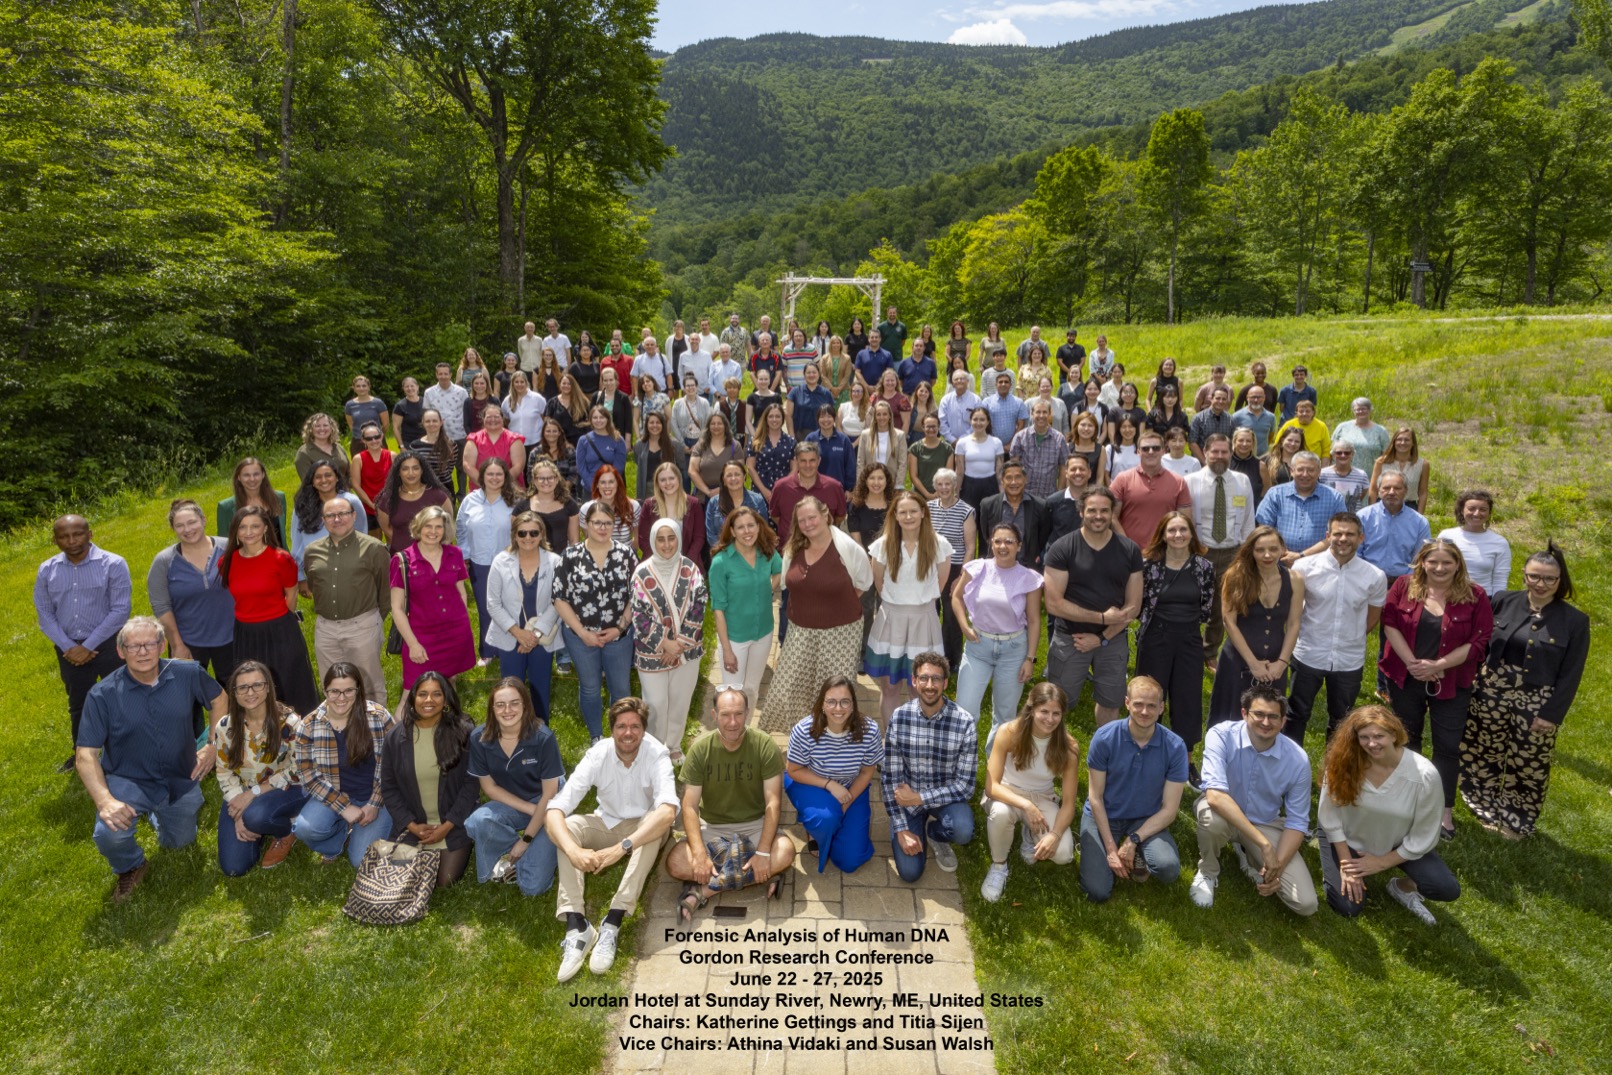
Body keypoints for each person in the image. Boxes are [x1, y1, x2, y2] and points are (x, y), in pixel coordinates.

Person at [74, 616, 224, 899]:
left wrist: (213, 745)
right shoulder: (101, 695)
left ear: (162, 646)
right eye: (133, 646)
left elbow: (219, 699)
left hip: (181, 777)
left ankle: (157, 815)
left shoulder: (187, 673)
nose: (142, 652)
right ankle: (130, 865)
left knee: (180, 844)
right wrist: (105, 800)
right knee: (110, 834)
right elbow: (85, 755)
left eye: (149, 644)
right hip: (128, 779)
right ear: (121, 651)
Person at [1461, 543, 1589, 838]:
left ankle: (1518, 818)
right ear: (1524, 575)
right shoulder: (1504, 601)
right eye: (1534, 576)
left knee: (1530, 761)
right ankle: (1483, 806)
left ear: (1560, 581)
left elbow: (1572, 673)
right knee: (1483, 750)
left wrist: (1552, 714)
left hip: (1537, 700)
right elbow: (1481, 645)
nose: (1540, 584)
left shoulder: (1575, 620)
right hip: (1491, 692)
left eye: (1548, 579)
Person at [546, 697, 677, 980]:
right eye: (621, 726)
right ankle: (576, 925)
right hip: (606, 822)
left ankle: (613, 921)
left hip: (643, 827)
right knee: (566, 826)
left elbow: (667, 812)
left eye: (634, 726)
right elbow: (555, 809)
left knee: (654, 828)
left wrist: (622, 848)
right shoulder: (598, 754)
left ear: (643, 729)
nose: (628, 733)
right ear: (612, 729)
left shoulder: (657, 753)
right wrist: (573, 850)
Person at [1380, 539, 1494, 840]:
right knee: (1407, 738)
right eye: (1433, 562)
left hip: (1452, 681)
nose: (1440, 568)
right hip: (1406, 677)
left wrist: (1438, 664)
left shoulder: (1475, 595)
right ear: (1422, 562)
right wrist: (1412, 662)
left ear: (1458, 564)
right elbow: (1389, 621)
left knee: (1446, 745)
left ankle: (1443, 811)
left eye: (1447, 562)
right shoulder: (1404, 586)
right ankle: (1410, 800)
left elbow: (1480, 640)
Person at [1318, 705, 1459, 924]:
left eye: (1378, 736)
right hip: (1346, 838)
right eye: (1364, 737)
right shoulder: (1342, 761)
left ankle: (1401, 887)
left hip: (1396, 841)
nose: (1372, 744)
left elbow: (1425, 834)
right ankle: (1333, 862)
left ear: (1394, 734)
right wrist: (1347, 864)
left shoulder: (1424, 775)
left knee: (1446, 888)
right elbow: (1329, 816)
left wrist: (1381, 863)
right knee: (1347, 908)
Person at [666, 686, 795, 919]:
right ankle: (758, 875)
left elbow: (773, 803)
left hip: (755, 824)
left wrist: (764, 852)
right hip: (713, 828)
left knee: (785, 851)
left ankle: (704, 890)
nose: (732, 722)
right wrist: (698, 854)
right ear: (714, 715)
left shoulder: (765, 745)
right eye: (725, 715)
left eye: (738, 714)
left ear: (748, 713)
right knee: (675, 863)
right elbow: (689, 806)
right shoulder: (700, 749)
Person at [1188, 685, 1317, 915]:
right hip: (1223, 813)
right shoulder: (1221, 735)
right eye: (1259, 714)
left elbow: (1297, 822)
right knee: (1211, 819)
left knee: (1305, 904)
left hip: (1265, 822)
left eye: (1273, 716)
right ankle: (1208, 871)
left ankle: (1246, 852)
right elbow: (1215, 796)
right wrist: (1265, 846)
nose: (1266, 722)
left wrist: (1277, 867)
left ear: (1283, 721)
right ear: (1244, 713)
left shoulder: (1298, 759)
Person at [764, 497, 874, 733]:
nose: (807, 524)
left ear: (826, 515)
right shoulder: (794, 547)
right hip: (800, 630)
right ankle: (802, 738)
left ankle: (835, 742)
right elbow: (787, 583)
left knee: (833, 693)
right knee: (790, 688)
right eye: (801, 520)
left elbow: (863, 582)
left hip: (840, 632)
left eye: (812, 517)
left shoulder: (847, 548)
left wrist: (833, 603)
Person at [1079, 676, 1188, 902]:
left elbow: (1169, 810)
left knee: (1168, 869)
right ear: (1127, 703)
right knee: (1097, 891)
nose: (1144, 711)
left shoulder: (1175, 746)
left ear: (1161, 708)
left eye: (1151, 706)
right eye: (1138, 704)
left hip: (1144, 818)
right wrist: (1110, 849)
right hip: (1104, 814)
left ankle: (1138, 850)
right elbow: (1096, 797)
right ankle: (1098, 848)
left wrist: (1133, 840)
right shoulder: (1104, 738)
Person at [1284, 513, 1388, 744]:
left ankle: (1333, 774)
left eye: (1350, 534)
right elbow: (1293, 612)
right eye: (1338, 533)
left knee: (1341, 721)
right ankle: (1289, 771)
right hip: (1309, 653)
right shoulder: (1304, 567)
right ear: (1328, 536)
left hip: (1348, 659)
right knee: (1296, 713)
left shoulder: (1374, 576)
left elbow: (1372, 618)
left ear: (1361, 538)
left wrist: (1349, 637)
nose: (1343, 538)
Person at [1043, 488, 1143, 726]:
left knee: (1111, 702)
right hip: (1070, 638)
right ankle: (1054, 757)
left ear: (1112, 514)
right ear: (1081, 512)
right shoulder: (1062, 548)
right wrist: (1101, 618)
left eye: (1104, 511)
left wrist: (1102, 637)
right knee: (1057, 704)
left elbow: (1134, 606)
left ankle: (1104, 755)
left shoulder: (1129, 550)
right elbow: (1054, 604)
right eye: (1092, 510)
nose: (1098, 516)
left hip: (1113, 640)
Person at [463, 678, 564, 897]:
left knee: (531, 888)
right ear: (492, 708)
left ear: (525, 705)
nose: (507, 710)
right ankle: (524, 846)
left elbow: (550, 793)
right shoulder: (479, 738)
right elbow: (489, 788)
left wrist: (525, 841)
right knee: (477, 822)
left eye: (514, 703)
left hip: (547, 800)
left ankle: (535, 845)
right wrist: (532, 812)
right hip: (514, 801)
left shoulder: (543, 737)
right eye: (500, 704)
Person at [881, 652, 976, 880]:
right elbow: (889, 778)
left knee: (963, 830)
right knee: (910, 873)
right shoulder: (899, 717)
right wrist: (902, 829)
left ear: (945, 683)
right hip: (906, 801)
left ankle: (934, 833)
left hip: (942, 800)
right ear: (914, 681)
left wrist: (919, 798)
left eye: (936, 679)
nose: (930, 685)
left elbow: (966, 786)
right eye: (924, 678)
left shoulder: (965, 722)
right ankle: (912, 829)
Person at [980, 682, 1078, 901]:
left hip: (1042, 798)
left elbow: (1070, 803)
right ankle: (999, 866)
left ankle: (1030, 832)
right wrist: (1026, 805)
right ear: (1031, 708)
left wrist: (1055, 835)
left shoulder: (1069, 747)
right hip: (1006, 793)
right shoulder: (1009, 732)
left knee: (1063, 854)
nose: (1050, 719)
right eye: (1044, 711)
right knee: (1001, 814)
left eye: (1056, 713)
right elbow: (991, 786)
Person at [290, 663, 395, 866]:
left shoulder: (378, 716)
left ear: (358, 690)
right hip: (336, 794)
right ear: (325, 691)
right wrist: (344, 807)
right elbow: (307, 776)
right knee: (305, 828)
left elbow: (393, 765)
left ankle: (384, 828)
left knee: (360, 861)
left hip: (375, 796)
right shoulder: (309, 725)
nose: (341, 698)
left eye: (349, 691)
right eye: (335, 691)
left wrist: (374, 803)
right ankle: (336, 840)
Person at [381, 672, 477, 887]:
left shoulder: (464, 732)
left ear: (445, 700)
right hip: (414, 824)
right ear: (413, 698)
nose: (429, 700)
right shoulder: (395, 737)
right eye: (422, 694)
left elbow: (471, 785)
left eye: (436, 694)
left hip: (452, 824)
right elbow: (388, 788)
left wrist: (447, 825)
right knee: (403, 882)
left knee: (444, 881)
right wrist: (412, 825)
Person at [1136, 512, 1215, 770]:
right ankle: (1146, 753)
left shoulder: (1205, 568)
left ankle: (1185, 762)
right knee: (1150, 697)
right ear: (1163, 534)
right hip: (1155, 638)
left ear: (1192, 534)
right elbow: (1140, 605)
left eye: (1183, 530)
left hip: (1189, 639)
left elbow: (1207, 607)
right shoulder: (1149, 566)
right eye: (1172, 530)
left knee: (1187, 700)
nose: (1178, 535)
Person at [553, 501, 637, 742]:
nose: (602, 528)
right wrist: (583, 633)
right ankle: (596, 736)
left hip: (618, 636)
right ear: (585, 525)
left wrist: (620, 626)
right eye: (597, 523)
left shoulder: (626, 553)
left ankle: (621, 733)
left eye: (608, 523)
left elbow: (637, 594)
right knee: (589, 687)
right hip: (580, 637)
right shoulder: (570, 556)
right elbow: (559, 598)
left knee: (620, 689)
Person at [223, 507, 320, 715]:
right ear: (235, 531)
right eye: (243, 527)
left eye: (255, 526)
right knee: (252, 688)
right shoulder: (227, 562)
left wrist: (280, 621)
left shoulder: (280, 559)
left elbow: (292, 594)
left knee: (288, 686)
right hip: (245, 634)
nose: (249, 532)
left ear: (266, 528)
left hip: (279, 631)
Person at [866, 492, 953, 721]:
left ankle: (919, 740)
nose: (908, 516)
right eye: (902, 512)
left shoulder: (939, 545)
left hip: (924, 620)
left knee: (920, 689)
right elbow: (879, 583)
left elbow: (940, 584)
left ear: (923, 513)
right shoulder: (882, 545)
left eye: (913, 511)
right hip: (892, 620)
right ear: (894, 515)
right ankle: (893, 742)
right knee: (891, 688)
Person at [213, 661, 306, 875]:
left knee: (256, 816)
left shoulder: (290, 723)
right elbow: (225, 772)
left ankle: (288, 829)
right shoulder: (225, 727)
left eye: (257, 685)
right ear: (234, 693)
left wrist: (254, 794)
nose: (250, 692)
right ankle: (258, 821)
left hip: (288, 789)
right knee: (234, 868)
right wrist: (238, 811)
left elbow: (300, 769)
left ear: (268, 687)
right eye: (242, 687)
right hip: (244, 793)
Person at [785, 675, 884, 874]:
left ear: (853, 704)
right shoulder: (804, 730)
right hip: (810, 782)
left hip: (852, 785)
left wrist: (845, 804)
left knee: (849, 861)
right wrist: (829, 784)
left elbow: (866, 773)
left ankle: (830, 827)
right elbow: (793, 770)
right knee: (825, 819)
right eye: (831, 701)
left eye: (844, 701)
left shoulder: (870, 730)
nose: (838, 709)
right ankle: (814, 827)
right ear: (822, 704)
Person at [1209, 526, 1304, 725]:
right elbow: (1229, 622)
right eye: (1260, 550)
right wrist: (1253, 664)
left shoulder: (1295, 579)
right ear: (1251, 550)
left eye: (1273, 549)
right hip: (1237, 661)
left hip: (1276, 662)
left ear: (1282, 549)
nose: (1267, 555)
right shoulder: (1235, 576)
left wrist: (1282, 663)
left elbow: (1294, 623)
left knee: (1268, 720)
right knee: (1231, 718)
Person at [301, 494, 390, 707]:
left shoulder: (374, 548)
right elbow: (314, 585)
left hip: (362, 625)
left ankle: (376, 731)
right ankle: (341, 731)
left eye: (342, 514)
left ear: (353, 515)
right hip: (326, 629)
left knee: (369, 685)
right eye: (330, 515)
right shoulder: (312, 551)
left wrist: (375, 620)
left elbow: (386, 590)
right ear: (323, 520)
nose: (337, 519)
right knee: (332, 686)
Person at [953, 522, 1043, 731]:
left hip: (1013, 651)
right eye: (998, 541)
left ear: (1019, 546)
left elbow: (1034, 620)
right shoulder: (976, 568)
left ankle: (997, 761)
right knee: (964, 712)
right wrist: (964, 626)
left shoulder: (1029, 578)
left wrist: (1030, 659)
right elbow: (957, 598)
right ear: (991, 544)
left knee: (1005, 716)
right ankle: (965, 760)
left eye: (1009, 542)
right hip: (978, 647)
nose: (1003, 546)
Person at [630, 518, 706, 761]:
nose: (666, 544)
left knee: (680, 702)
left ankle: (673, 746)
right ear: (652, 540)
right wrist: (665, 644)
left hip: (687, 650)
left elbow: (699, 607)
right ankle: (653, 750)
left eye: (671, 538)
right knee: (655, 704)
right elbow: (639, 616)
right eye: (660, 539)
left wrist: (679, 644)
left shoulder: (691, 569)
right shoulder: (641, 573)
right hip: (653, 652)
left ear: (678, 538)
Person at [1185, 434, 1256, 668]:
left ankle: (1209, 651)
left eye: (1224, 452)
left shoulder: (1242, 481)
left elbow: (1248, 518)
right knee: (1192, 600)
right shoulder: (1190, 481)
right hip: (1200, 551)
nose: (1219, 456)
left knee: (1221, 603)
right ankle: (1189, 645)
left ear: (1230, 452)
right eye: (1214, 451)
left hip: (1231, 551)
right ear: (1205, 452)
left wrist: (1245, 553)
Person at [149, 500, 234, 686]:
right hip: (188, 640)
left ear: (203, 520)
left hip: (231, 637)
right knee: (186, 698)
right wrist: (177, 644)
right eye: (179, 525)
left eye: (192, 522)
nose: (187, 529)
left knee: (237, 694)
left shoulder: (229, 549)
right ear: (173, 529)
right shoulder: (164, 561)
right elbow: (161, 606)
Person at [390, 505, 475, 690]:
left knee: (449, 685)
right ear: (418, 528)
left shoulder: (455, 554)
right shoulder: (402, 560)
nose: (433, 532)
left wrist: (464, 626)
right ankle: (398, 721)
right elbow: (396, 608)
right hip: (421, 636)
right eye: (428, 526)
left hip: (455, 633)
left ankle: (447, 719)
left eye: (439, 527)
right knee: (412, 692)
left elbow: (461, 592)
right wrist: (412, 644)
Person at [708, 507, 782, 705]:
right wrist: (727, 650)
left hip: (763, 633)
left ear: (758, 527)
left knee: (751, 690)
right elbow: (718, 610)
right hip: (735, 638)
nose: (747, 531)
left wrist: (769, 589)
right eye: (740, 527)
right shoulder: (721, 562)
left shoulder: (766, 551)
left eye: (751, 525)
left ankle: (745, 733)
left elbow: (780, 571)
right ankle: (730, 733)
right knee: (733, 695)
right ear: (732, 531)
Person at [1256, 451, 1344, 564]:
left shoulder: (1334, 498)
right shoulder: (1275, 494)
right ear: (1292, 471)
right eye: (1300, 469)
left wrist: (1301, 556)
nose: (1305, 474)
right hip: (1280, 562)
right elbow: (1264, 528)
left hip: (1319, 565)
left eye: (1311, 470)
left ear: (1319, 472)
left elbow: (1337, 534)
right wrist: (1283, 553)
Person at [1110, 430, 1192, 547]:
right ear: (1138, 452)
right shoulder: (1122, 479)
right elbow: (1112, 516)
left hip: (1165, 552)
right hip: (1128, 553)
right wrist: (1127, 545)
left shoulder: (1179, 482)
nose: (1151, 452)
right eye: (1145, 448)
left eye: (1156, 448)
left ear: (1163, 451)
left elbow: (1185, 521)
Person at [289, 462, 369, 579]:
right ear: (312, 481)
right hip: (318, 570)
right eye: (318, 477)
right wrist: (300, 575)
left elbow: (362, 533)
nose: (324, 480)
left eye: (328, 475)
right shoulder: (303, 505)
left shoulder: (351, 501)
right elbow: (297, 541)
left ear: (337, 477)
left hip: (350, 567)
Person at [375, 450, 452, 556]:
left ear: (422, 470)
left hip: (435, 556)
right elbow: (386, 528)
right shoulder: (388, 498)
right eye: (405, 469)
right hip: (402, 558)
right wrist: (403, 545)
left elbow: (447, 526)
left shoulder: (438, 496)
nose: (411, 473)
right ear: (398, 472)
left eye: (415, 468)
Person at [978, 459, 1049, 567]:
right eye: (1009, 478)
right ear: (1002, 480)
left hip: (1027, 567)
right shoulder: (988, 504)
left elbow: (1042, 537)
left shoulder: (1040, 506)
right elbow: (987, 535)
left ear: (1025, 479)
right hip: (997, 566)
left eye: (1018, 477)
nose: (1014, 482)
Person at [639, 461, 705, 562]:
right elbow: (643, 539)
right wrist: (660, 561)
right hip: (656, 563)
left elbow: (699, 538)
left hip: (687, 562)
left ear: (679, 478)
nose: (668, 483)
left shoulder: (694, 504)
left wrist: (685, 562)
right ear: (657, 483)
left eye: (671, 478)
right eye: (663, 480)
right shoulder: (649, 505)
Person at [217, 456, 287, 546]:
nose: (252, 479)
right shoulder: (226, 508)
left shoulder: (279, 498)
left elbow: (282, 532)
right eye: (246, 475)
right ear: (238, 477)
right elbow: (224, 543)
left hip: (278, 557)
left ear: (263, 475)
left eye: (256, 474)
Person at [1010, 399, 1069, 502]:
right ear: (1032, 414)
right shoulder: (1020, 437)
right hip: (1025, 495)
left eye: (1045, 412)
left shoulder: (1059, 439)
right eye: (1038, 412)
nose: (1041, 416)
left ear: (1050, 414)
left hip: (1049, 497)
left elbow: (1063, 468)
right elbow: (1014, 467)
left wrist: (1059, 494)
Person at [424, 362, 470, 490]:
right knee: (440, 468)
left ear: (450, 375)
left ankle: (461, 497)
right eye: (440, 374)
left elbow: (467, 413)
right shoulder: (429, 393)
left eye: (446, 374)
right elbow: (426, 414)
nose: (443, 376)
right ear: (436, 375)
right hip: (439, 437)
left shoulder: (461, 392)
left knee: (461, 468)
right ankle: (443, 495)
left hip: (459, 435)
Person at [952, 407, 1004, 512]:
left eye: (982, 419)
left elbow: (999, 472)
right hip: (969, 485)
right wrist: (956, 493)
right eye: (975, 419)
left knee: (989, 520)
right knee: (969, 519)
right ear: (970, 421)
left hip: (990, 484)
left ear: (988, 421)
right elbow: (959, 472)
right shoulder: (962, 442)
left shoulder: (996, 442)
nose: (978, 423)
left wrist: (1002, 493)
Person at [1369, 426, 1429, 510]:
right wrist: (1372, 510)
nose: (1402, 442)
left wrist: (1420, 514)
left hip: (1409, 506)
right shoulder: (1381, 462)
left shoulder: (1422, 464)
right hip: (1384, 505)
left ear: (1413, 443)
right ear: (1394, 442)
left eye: (1407, 440)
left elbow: (1423, 493)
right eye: (1399, 439)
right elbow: (1373, 489)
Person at [690, 411, 744, 503]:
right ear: (708, 426)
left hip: (729, 494)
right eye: (713, 424)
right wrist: (708, 492)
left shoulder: (735, 446)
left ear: (725, 426)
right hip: (703, 495)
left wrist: (722, 490)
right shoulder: (700, 445)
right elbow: (692, 471)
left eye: (719, 423)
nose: (716, 426)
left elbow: (739, 472)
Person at [574, 404, 627, 495]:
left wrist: (607, 486)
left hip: (611, 489)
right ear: (590, 420)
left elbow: (619, 467)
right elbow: (581, 467)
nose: (598, 420)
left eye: (602, 417)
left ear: (608, 419)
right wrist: (593, 486)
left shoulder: (617, 439)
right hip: (589, 489)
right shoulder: (583, 441)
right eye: (595, 418)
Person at [856, 398, 908, 489]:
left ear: (889, 416)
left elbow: (902, 463)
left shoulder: (900, 435)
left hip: (892, 484)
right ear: (875, 417)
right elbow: (860, 463)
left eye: (884, 414)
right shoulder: (865, 435)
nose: (881, 417)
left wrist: (899, 485)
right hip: (870, 484)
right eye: (878, 414)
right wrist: (861, 484)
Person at [409, 408, 459, 497]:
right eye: (428, 421)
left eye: (434, 421)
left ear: (441, 422)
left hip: (445, 488)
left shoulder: (451, 444)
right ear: (423, 423)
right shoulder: (415, 446)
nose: (431, 424)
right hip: (421, 489)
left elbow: (450, 467)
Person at [809, 404, 858, 492]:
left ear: (834, 419)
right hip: (814, 489)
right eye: (822, 417)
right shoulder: (811, 439)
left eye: (829, 416)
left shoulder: (844, 440)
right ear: (817, 419)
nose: (826, 420)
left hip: (839, 490)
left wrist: (850, 489)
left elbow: (850, 466)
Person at [294, 412, 348, 484]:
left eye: (325, 425)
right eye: (317, 426)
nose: (322, 429)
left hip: (344, 492)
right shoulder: (304, 453)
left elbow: (349, 474)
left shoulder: (339, 447)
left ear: (331, 428)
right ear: (310, 429)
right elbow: (307, 483)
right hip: (320, 494)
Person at [1335, 397, 1390, 465]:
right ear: (1353, 411)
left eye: (1363, 409)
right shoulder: (1342, 427)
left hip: (1372, 473)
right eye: (1357, 409)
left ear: (1370, 410)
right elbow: (1332, 451)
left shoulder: (1381, 431)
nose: (1360, 411)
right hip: (1344, 473)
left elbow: (1387, 455)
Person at [344, 375, 390, 454]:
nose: (361, 388)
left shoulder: (378, 403)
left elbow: (386, 424)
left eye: (364, 386)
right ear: (354, 388)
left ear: (369, 387)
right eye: (358, 386)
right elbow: (351, 425)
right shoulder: (349, 405)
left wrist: (377, 436)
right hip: (358, 442)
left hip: (376, 441)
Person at [1318, 441, 1369, 512]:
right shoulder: (1322, 474)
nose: (1343, 455)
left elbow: (1360, 497)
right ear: (1333, 455)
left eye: (1347, 453)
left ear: (1352, 455)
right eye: (1339, 453)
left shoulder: (1361, 475)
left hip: (1352, 518)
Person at [1230, 384, 1276, 457]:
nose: (1256, 400)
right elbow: (1232, 437)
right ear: (1247, 398)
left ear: (1264, 398)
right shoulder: (1236, 416)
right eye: (1253, 397)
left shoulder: (1271, 417)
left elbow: (1270, 436)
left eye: (1259, 397)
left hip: (1263, 457)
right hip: (1243, 457)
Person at [1229, 427, 1266, 507]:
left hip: (1252, 511)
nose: (1244, 444)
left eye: (1248, 441)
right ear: (1234, 442)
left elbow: (1266, 490)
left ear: (1253, 444)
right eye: (1241, 440)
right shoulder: (1225, 463)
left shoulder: (1261, 466)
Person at [392, 376, 427, 449]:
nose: (410, 388)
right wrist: (401, 446)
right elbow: (396, 428)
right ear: (403, 389)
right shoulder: (400, 406)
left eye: (412, 386)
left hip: (426, 441)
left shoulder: (426, 402)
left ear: (417, 387)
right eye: (407, 386)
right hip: (409, 443)